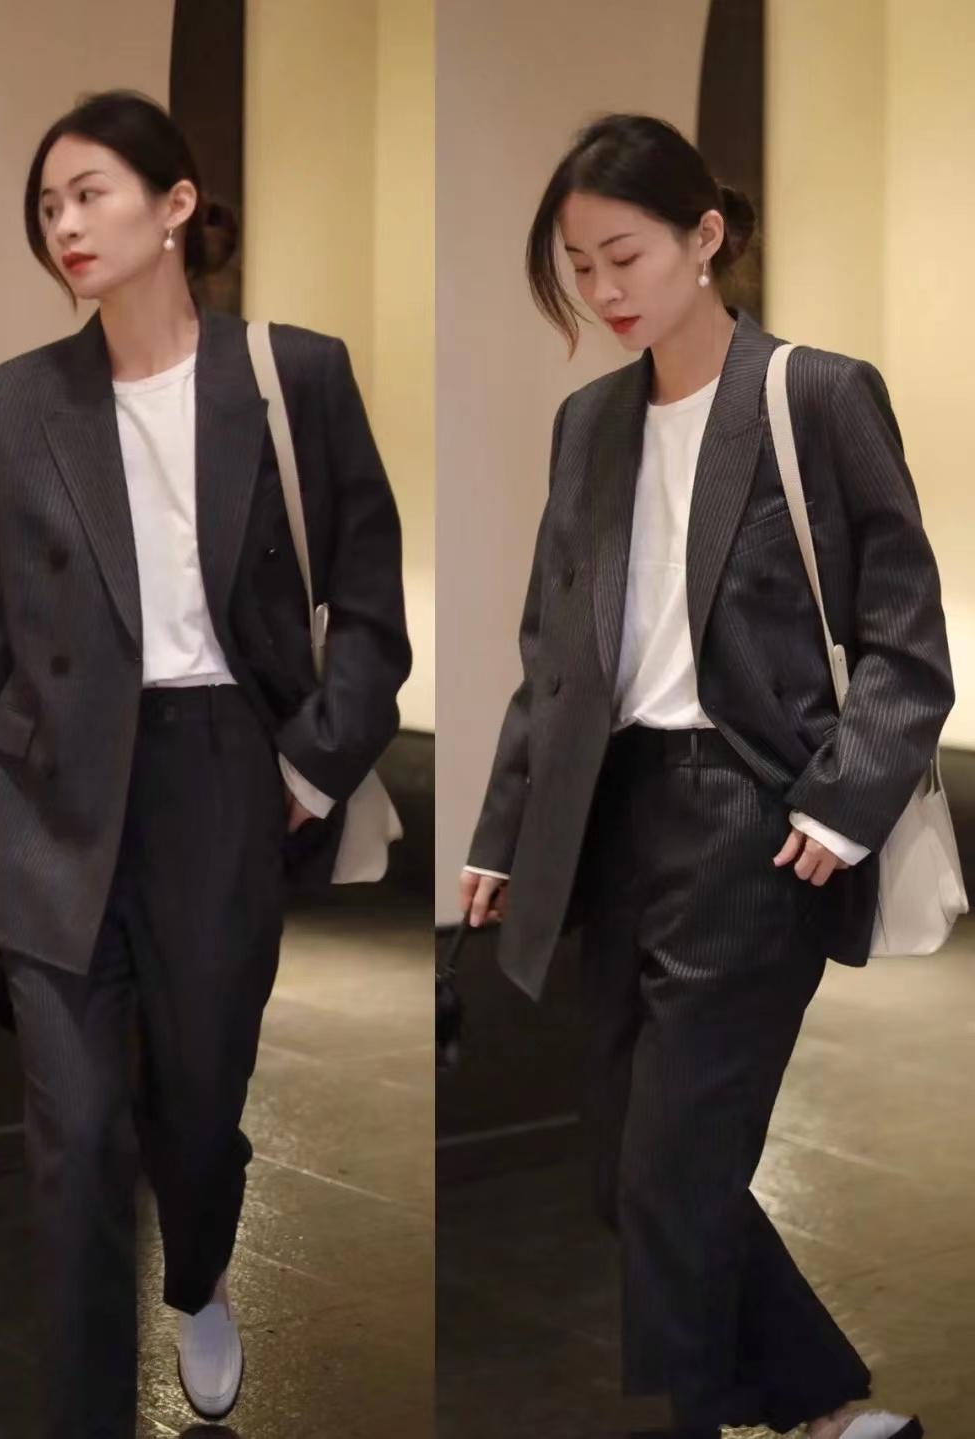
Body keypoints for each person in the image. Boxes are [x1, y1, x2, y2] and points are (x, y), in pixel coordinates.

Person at [459, 113, 948, 1439]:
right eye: (581, 269)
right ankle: (826, 1411)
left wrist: (844, 799)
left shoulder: (815, 397)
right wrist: (505, 826)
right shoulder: (588, 424)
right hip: (611, 817)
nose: (604, 292)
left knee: (672, 1169)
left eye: (624, 257)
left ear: (705, 236)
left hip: (751, 820)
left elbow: (907, 639)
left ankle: (717, 1422)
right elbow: (555, 653)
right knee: (633, 1175)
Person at [0, 89, 410, 1438]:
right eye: (47, 206)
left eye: (90, 193)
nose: (65, 224)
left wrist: (304, 773)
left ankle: (197, 1273)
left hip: (221, 777)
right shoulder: (10, 404)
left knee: (196, 1108)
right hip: (49, 798)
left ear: (176, 206)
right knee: (78, 1142)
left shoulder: (290, 375)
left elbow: (372, 609)